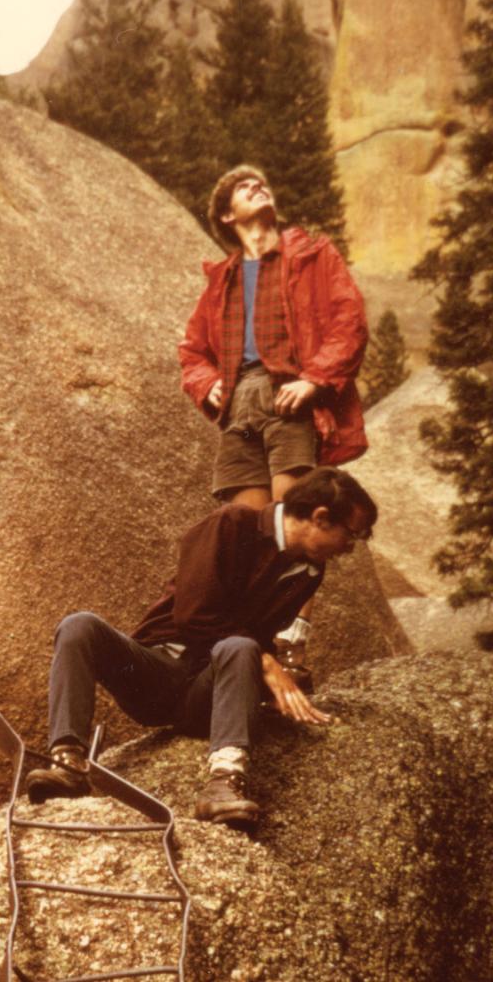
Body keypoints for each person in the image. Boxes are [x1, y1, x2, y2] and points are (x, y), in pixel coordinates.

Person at [24, 467, 377, 828]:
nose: (350, 547)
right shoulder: (234, 524)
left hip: (206, 694)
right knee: (79, 625)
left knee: (242, 647)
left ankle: (224, 782)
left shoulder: (309, 572)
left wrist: (272, 684)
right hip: (155, 673)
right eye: (353, 534)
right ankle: (67, 761)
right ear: (320, 518)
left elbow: (254, 637)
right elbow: (193, 614)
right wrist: (267, 665)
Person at [177, 165, 369, 673]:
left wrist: (316, 380)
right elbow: (192, 350)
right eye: (244, 187)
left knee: (299, 523)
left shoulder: (311, 254)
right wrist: (206, 383)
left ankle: (293, 643)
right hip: (238, 408)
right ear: (226, 214)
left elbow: (350, 321)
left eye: (263, 181)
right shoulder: (221, 278)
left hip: (290, 398)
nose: (259, 185)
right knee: (248, 534)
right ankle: (252, 649)